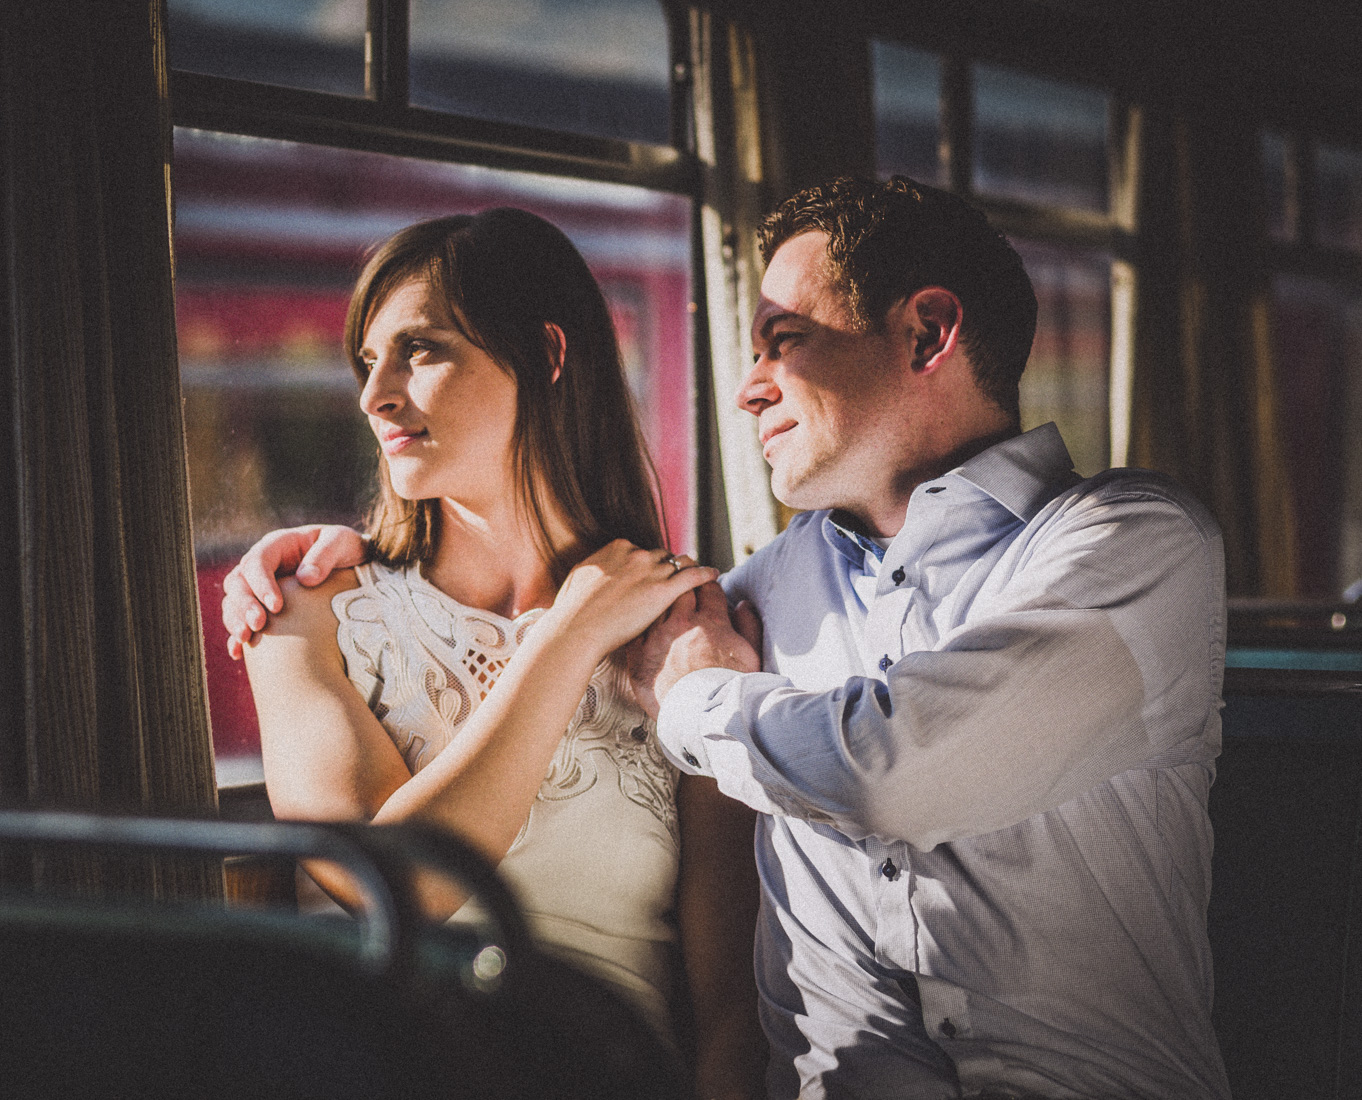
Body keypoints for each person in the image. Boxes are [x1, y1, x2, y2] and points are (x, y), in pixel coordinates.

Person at [226, 178, 1231, 1099]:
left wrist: (696, 690)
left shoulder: (1133, 543)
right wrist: (334, 559)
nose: (747, 387)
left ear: (927, 332)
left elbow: (886, 772)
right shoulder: (729, 602)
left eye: (782, 338)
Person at [233, 207, 765, 1099]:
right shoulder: (307, 610)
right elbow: (394, 887)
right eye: (368, 363)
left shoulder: (686, 630)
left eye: (421, 351)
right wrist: (568, 639)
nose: (375, 396)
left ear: (548, 357)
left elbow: (729, 1004)